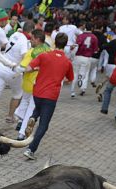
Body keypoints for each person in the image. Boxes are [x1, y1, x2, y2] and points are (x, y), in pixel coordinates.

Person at [21, 32, 73, 160]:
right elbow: (69, 80)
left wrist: (37, 69)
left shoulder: (44, 55)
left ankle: (33, 117)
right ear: (65, 45)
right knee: (44, 125)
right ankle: (30, 149)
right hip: (51, 95)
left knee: (38, 108)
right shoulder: (67, 62)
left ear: (55, 42)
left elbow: (28, 68)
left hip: (37, 92)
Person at [0, 20, 31, 122]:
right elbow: (24, 56)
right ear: (31, 32)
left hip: (1, 67)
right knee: (18, 94)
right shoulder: (24, 41)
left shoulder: (15, 34)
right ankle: (10, 116)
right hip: (13, 70)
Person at [13, 28, 48, 139]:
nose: (30, 41)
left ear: (37, 40)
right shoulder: (49, 50)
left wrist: (14, 68)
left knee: (28, 107)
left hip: (30, 84)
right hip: (41, 84)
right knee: (26, 103)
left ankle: (21, 133)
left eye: (32, 39)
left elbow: (22, 68)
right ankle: (20, 120)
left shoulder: (32, 52)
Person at [70, 21, 97, 97]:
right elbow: (95, 50)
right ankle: (82, 86)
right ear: (92, 28)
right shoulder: (94, 37)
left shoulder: (81, 36)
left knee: (75, 74)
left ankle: (72, 91)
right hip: (86, 57)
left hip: (78, 56)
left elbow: (76, 45)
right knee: (84, 74)